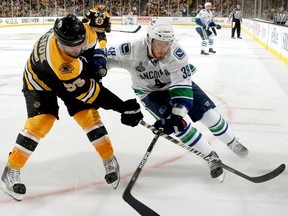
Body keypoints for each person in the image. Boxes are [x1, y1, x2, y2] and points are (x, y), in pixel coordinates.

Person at [0, 14, 143, 201]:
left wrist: (96, 61)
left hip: (67, 75)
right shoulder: (62, 64)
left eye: (79, 42)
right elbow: (91, 92)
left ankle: (109, 159)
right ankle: (11, 169)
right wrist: (121, 106)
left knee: (87, 116)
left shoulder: (86, 32)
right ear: (59, 41)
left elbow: (94, 49)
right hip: (39, 80)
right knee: (41, 121)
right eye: (70, 45)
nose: (76, 49)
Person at [106, 19, 248, 182]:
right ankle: (211, 156)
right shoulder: (131, 50)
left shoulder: (176, 54)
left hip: (177, 85)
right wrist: (96, 68)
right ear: (148, 39)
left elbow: (182, 87)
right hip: (150, 93)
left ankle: (233, 142)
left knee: (209, 115)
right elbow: (103, 56)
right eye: (159, 44)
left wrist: (177, 114)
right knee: (180, 128)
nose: (163, 49)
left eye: (167, 44)